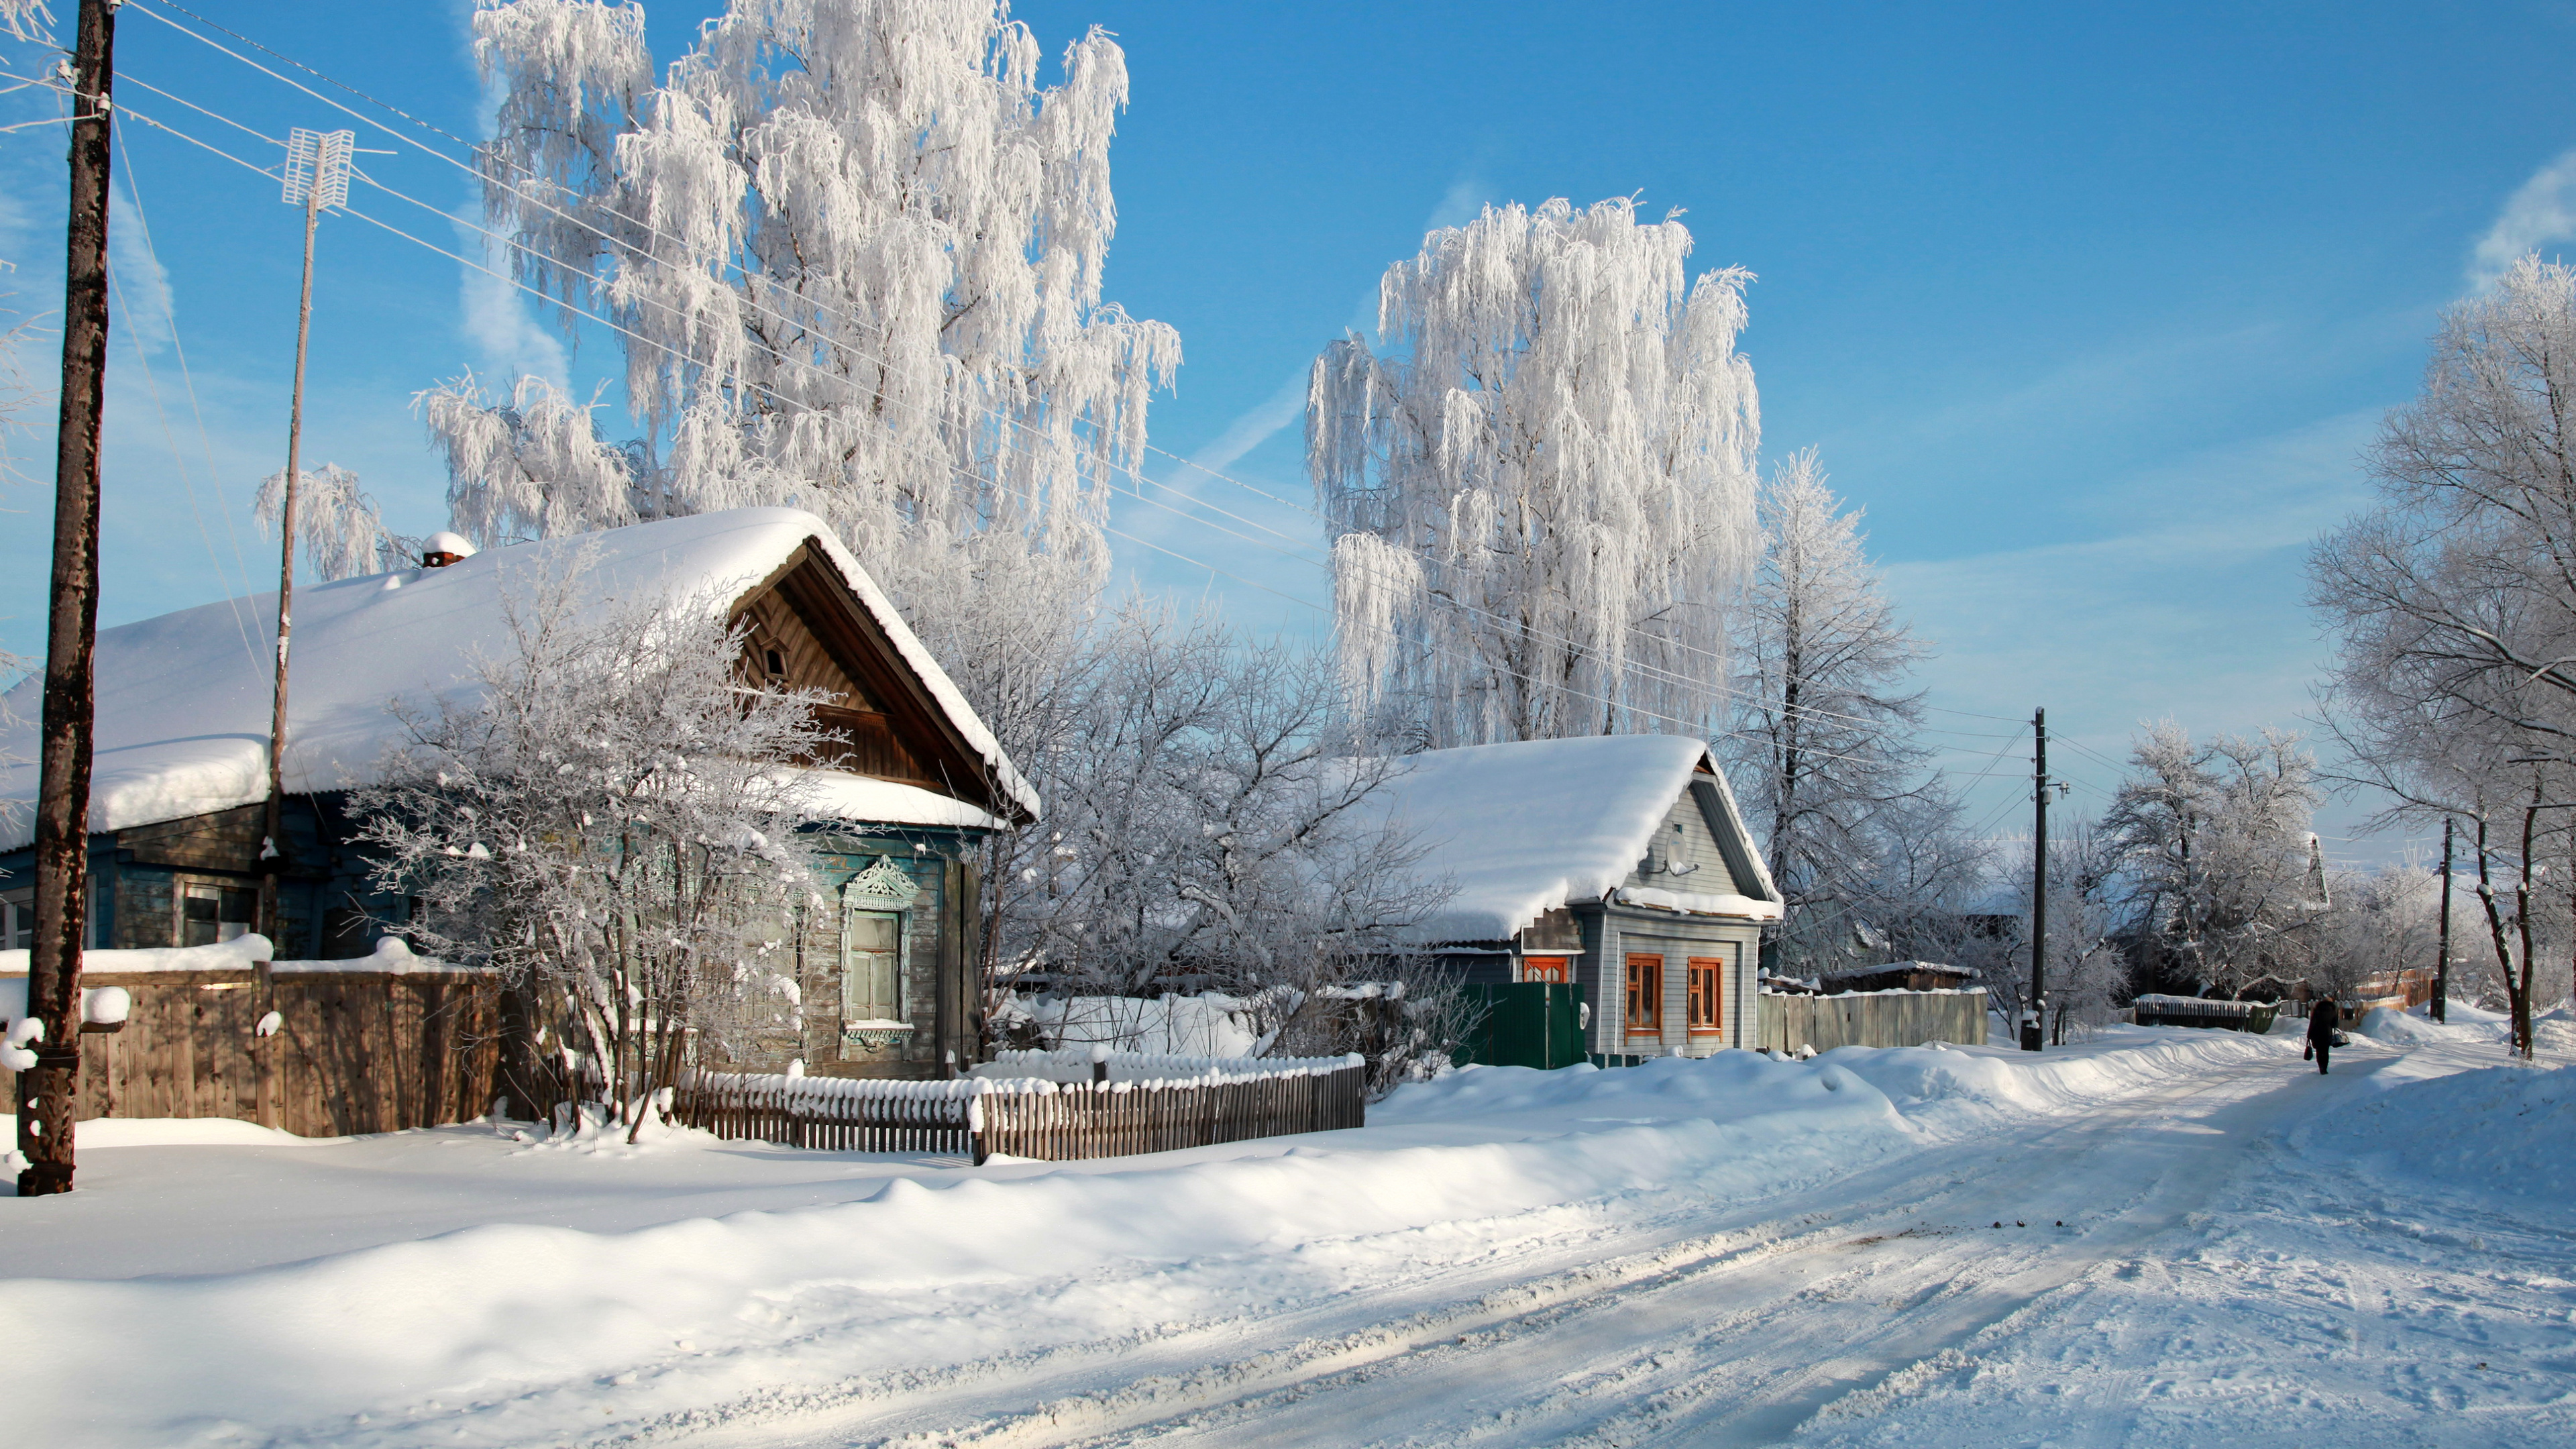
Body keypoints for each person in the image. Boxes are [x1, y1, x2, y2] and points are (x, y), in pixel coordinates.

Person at [2306, 997, 2342, 1075]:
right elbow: (2334, 1025)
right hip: (2327, 1033)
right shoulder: (2333, 1011)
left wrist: (2309, 1035)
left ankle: (2321, 1067)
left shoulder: (2317, 1010)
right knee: (2325, 1052)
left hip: (2317, 1033)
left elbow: (2312, 1023)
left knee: (2319, 1051)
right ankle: (2325, 1068)